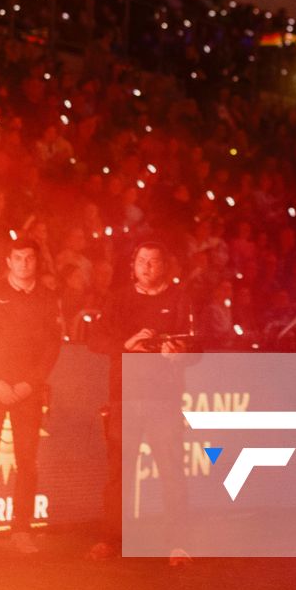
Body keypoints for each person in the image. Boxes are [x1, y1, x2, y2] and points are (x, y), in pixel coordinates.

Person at [87, 238, 192, 559]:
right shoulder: (118, 299)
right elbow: (95, 340)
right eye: (142, 261)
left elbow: (198, 346)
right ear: (132, 265)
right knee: (119, 469)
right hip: (124, 397)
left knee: (171, 469)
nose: (147, 267)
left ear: (164, 266)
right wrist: (127, 344)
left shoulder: (179, 299)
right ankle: (111, 538)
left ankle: (178, 542)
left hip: (164, 399)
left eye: (154, 261)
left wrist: (180, 352)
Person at [0, 238, 61, 552]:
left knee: (27, 461)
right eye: (17, 258)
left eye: (29, 259)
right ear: (8, 261)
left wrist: (30, 383)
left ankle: (21, 530)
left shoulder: (47, 298)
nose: (23, 264)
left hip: (27, 391)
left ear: (36, 262)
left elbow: (51, 347)